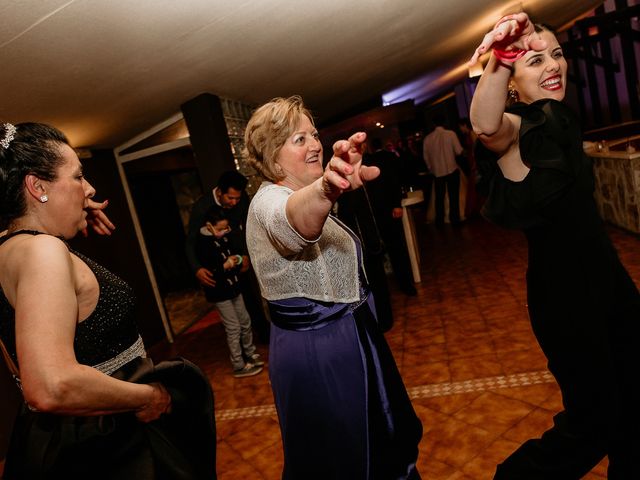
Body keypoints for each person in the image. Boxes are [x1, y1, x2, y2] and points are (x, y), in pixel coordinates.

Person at [469, 13, 640, 479]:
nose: (553, 66)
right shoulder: (518, 129)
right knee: (593, 423)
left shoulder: (561, 118)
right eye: (534, 59)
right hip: (565, 298)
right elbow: (486, 125)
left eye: (557, 54)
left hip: (610, 283)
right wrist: (499, 61)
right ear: (512, 83)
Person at [0, 122, 216, 479]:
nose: (90, 188)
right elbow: (50, 385)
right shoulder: (43, 252)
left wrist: (66, 214)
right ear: (37, 186)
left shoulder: (11, 247)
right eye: (78, 177)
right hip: (105, 439)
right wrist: (147, 397)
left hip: (52, 439)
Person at [244, 96, 422, 479]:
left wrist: (332, 191)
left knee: (376, 443)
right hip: (319, 351)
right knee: (343, 456)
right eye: (298, 139)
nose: (314, 144)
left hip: (348, 338)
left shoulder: (297, 194)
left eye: (313, 134)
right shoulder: (267, 203)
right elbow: (296, 224)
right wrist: (327, 187)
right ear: (273, 158)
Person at [185, 169, 270, 343]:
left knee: (250, 298)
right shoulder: (202, 206)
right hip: (218, 263)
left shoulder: (241, 199)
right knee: (231, 314)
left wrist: (245, 255)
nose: (234, 202)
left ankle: (264, 338)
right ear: (219, 192)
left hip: (238, 256)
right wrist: (197, 268)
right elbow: (190, 241)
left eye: (237, 199)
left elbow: (246, 228)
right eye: (230, 198)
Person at [195, 207, 264, 378]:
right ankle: (238, 365)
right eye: (219, 229)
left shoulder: (225, 237)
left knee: (245, 321)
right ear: (209, 226)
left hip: (234, 287)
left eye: (225, 228)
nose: (223, 232)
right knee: (233, 328)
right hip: (220, 293)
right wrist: (223, 266)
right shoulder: (202, 243)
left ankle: (250, 354)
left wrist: (238, 259)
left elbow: (235, 255)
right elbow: (209, 272)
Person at [364, 137, 417, 296]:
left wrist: (396, 204)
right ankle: (405, 285)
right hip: (381, 211)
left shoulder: (375, 159)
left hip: (383, 210)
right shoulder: (385, 157)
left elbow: (394, 180)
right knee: (395, 248)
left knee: (396, 247)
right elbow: (399, 179)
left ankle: (406, 284)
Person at [422, 114, 464, 226]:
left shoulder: (428, 138)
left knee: (439, 198)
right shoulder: (451, 134)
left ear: (433, 124)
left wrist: (431, 168)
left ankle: (439, 221)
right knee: (453, 196)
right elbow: (459, 151)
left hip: (437, 172)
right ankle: (455, 220)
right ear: (444, 122)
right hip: (452, 169)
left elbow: (426, 157)